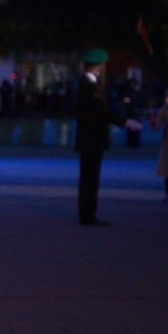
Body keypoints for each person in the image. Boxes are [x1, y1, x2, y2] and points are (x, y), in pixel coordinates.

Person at [75, 50, 113, 225]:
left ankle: (87, 212)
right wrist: (125, 121)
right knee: (90, 178)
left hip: (89, 138)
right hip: (92, 138)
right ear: (98, 67)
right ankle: (88, 213)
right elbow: (101, 112)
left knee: (88, 177)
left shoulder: (86, 84)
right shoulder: (89, 86)